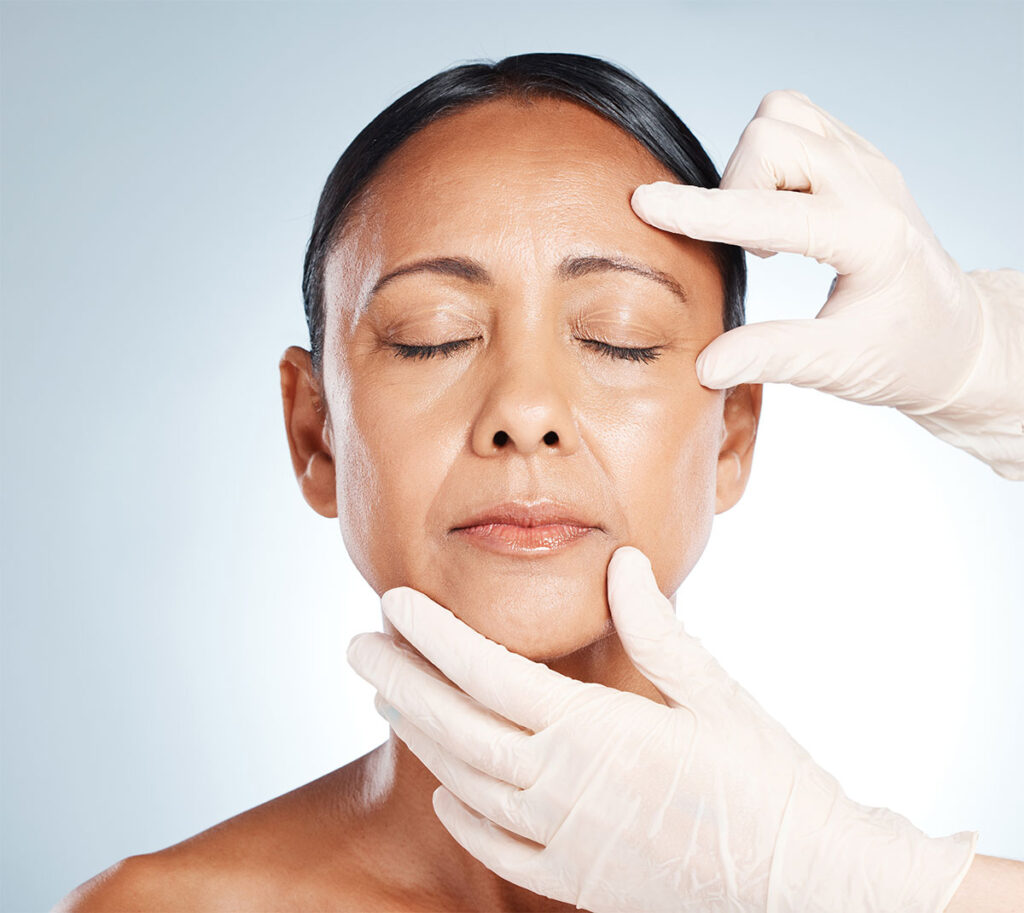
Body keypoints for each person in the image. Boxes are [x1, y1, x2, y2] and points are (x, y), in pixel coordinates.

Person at [53, 54, 1023, 912]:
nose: (525, 408)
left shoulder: (836, 889)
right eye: (431, 333)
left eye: (618, 335)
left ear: (732, 433)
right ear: (316, 434)